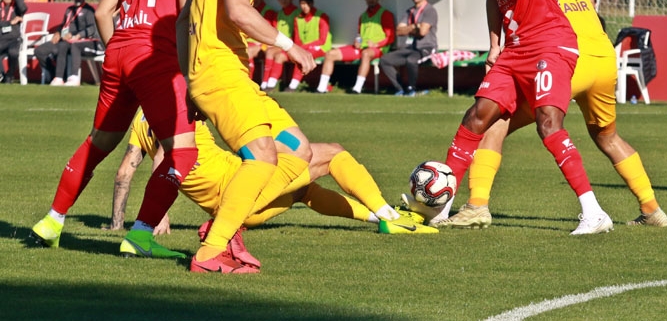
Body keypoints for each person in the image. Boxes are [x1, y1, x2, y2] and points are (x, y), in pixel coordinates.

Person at [179, 0, 427, 275]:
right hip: (221, 76)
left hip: (225, 78)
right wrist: (289, 45)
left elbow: (184, 23)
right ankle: (212, 249)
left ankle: (384, 216)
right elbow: (239, 11)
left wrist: (190, 78)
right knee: (263, 157)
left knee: (306, 151)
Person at [428, 0, 667, 230]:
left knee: (495, 122)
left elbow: (497, 1)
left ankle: (477, 205)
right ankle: (651, 208)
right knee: (607, 136)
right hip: (603, 59)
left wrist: (496, 46)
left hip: (563, 58)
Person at [28, 0, 206, 259]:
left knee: (98, 144)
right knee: (184, 152)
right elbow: (186, 13)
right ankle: (140, 235)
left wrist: (120, 51)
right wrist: (191, 70)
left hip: (120, 53)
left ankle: (53, 220)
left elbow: (104, 12)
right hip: (156, 59)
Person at [433, 0, 610, 235]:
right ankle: (441, 204)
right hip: (514, 50)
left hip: (551, 42)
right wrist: (494, 44)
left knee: (548, 121)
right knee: (477, 116)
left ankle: (594, 213)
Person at [105, 110, 433, 237]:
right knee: (332, 152)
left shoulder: (141, 119)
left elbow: (125, 172)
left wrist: (137, 221)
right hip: (245, 184)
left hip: (237, 212)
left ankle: (381, 220)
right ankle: (388, 214)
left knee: (303, 191)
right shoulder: (182, 104)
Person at [316, 0, 395, 94]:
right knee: (330, 54)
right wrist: (357, 41)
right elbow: (359, 34)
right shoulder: (363, 16)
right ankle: (321, 88)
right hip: (361, 48)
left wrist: (377, 44)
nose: (371, 0)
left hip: (378, 49)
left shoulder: (385, 14)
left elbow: (390, 37)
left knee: (366, 54)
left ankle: (357, 88)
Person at [33, 0, 102, 86]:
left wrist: (77, 35)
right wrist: (57, 32)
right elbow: (63, 25)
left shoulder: (88, 10)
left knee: (62, 47)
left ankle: (62, 77)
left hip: (76, 42)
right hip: (63, 38)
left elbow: (91, 28)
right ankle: (53, 74)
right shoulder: (69, 10)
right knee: (39, 51)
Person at [379, 0, 437, 96]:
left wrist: (409, 28)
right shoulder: (409, 11)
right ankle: (400, 88)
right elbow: (399, 31)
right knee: (385, 60)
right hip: (410, 47)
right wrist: (414, 26)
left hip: (426, 47)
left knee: (411, 60)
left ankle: (412, 89)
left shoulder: (430, 10)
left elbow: (422, 32)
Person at [285, 0, 332, 91]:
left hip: (322, 47)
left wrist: (303, 48)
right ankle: (269, 84)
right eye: (302, 3)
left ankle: (292, 86)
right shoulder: (297, 18)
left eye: (307, 3)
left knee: (303, 56)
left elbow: (323, 40)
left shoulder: (322, 16)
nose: (304, 6)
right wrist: (299, 48)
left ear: (312, 3)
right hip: (306, 48)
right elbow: (297, 39)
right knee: (292, 54)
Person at [260, 0, 300, 91]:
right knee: (266, 50)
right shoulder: (278, 14)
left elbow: (297, 34)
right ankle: (268, 84)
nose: (284, 0)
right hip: (279, 45)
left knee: (271, 53)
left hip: (291, 45)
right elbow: (272, 31)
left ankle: (266, 83)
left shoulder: (297, 13)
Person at [247, 0, 277, 81]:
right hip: (249, 43)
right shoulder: (248, 10)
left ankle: (249, 81)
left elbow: (265, 33)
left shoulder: (268, 11)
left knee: (247, 51)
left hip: (263, 44)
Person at [0, 0, 27, 83]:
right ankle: (1, 75)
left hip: (13, 38)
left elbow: (24, 8)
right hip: (1, 38)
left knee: (13, 52)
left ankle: (10, 75)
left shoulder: (17, 7)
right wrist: (9, 23)